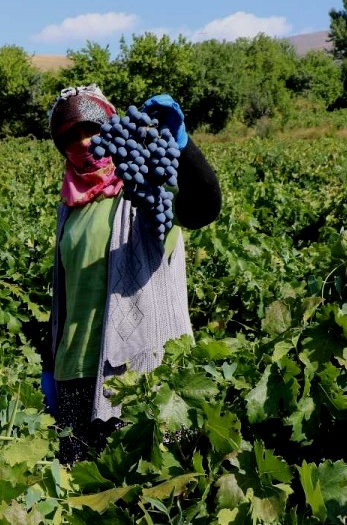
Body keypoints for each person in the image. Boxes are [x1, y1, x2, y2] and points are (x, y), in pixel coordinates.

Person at [42, 84, 222, 464]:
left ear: (112, 127)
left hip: (139, 374)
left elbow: (202, 208)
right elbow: (66, 293)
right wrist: (49, 364)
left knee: (148, 494)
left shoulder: (145, 188)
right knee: (82, 498)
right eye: (70, 136)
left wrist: (183, 148)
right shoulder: (68, 207)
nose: (84, 142)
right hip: (74, 374)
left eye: (92, 129)